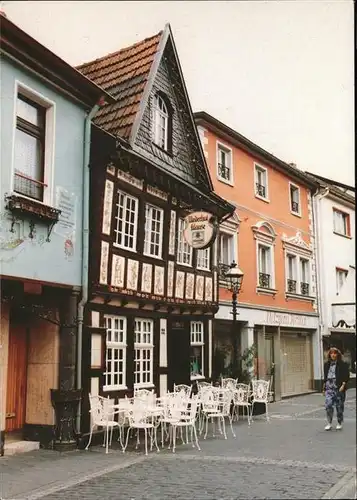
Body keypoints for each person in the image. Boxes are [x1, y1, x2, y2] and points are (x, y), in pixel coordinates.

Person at [322, 347, 350, 431]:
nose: (333, 355)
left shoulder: (342, 364)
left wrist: (343, 385)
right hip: (329, 387)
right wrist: (323, 388)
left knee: (339, 406)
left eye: (335, 353)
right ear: (329, 355)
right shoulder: (327, 364)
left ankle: (339, 422)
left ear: (338, 354)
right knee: (328, 405)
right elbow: (325, 376)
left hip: (338, 386)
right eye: (331, 353)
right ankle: (329, 423)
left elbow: (346, 375)